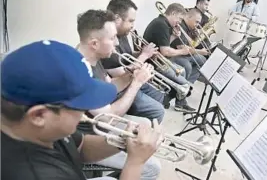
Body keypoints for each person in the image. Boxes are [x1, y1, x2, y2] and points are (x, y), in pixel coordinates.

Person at [1, 40, 162, 180]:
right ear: (39, 115)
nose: (87, 110)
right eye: (81, 104)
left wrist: (122, 140)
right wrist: (135, 163)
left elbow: (80, 146)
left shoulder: (42, 128)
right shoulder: (37, 174)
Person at [75, 9, 162, 179]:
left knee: (146, 124)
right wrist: (136, 84)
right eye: (112, 38)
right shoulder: (82, 73)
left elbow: (110, 86)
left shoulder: (92, 60)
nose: (116, 43)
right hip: (93, 134)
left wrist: (131, 74)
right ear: (94, 43)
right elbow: (108, 118)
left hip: (99, 127)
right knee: (152, 168)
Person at [98, 0, 165, 123]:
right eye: (131, 21)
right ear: (117, 19)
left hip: (129, 78)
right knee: (158, 111)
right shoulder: (106, 43)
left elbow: (127, 55)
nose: (133, 26)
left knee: (159, 92)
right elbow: (120, 75)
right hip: (123, 87)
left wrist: (142, 53)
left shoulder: (121, 34)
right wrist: (143, 56)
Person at [143, 3, 196, 112]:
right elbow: (165, 51)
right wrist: (182, 51)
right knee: (184, 83)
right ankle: (166, 99)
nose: (180, 22)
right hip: (154, 63)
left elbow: (163, 46)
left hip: (159, 59)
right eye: (180, 19)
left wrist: (173, 37)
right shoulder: (161, 25)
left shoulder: (163, 23)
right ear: (173, 13)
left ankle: (178, 102)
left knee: (182, 71)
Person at [170, 8, 208, 84]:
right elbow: (182, 48)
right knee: (187, 65)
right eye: (196, 22)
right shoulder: (180, 26)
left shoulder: (189, 28)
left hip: (183, 53)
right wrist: (200, 51)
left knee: (202, 60)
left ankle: (189, 83)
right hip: (175, 52)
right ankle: (182, 85)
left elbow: (191, 44)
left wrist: (197, 35)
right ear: (189, 17)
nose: (197, 25)